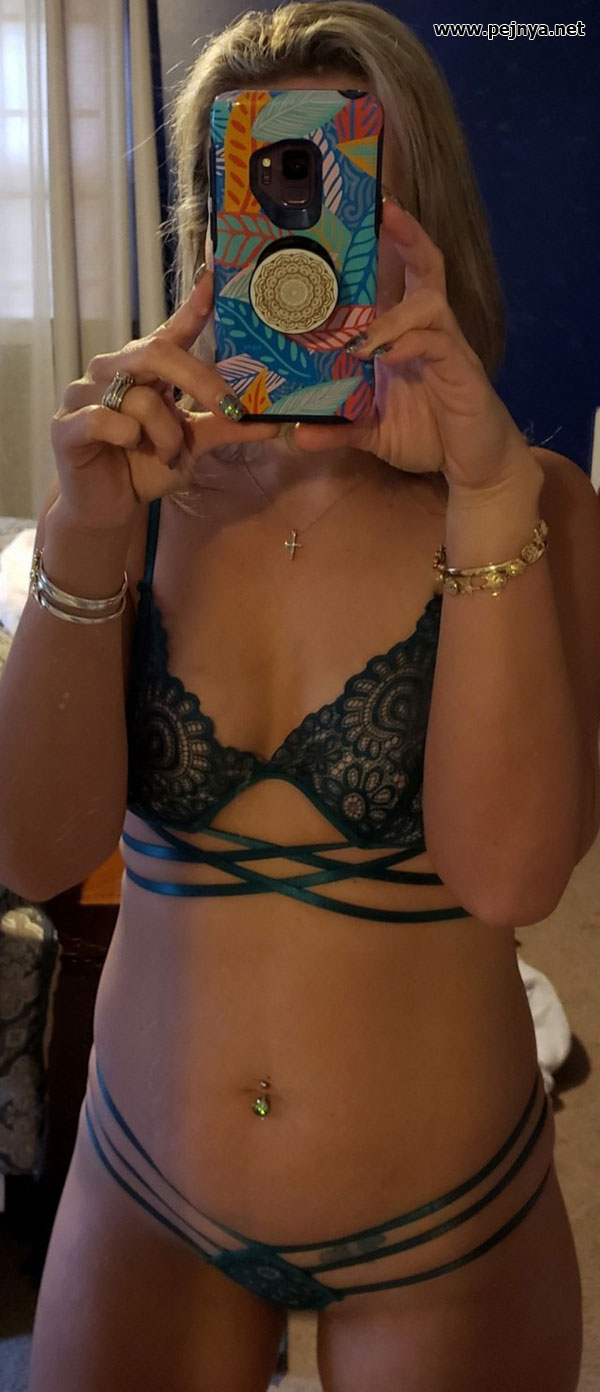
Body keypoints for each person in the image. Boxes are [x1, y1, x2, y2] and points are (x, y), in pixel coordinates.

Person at [2, 4, 599, 1390]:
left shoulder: (542, 506)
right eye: (260, 189)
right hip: (144, 1187)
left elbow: (512, 876)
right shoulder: (140, 495)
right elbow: (31, 850)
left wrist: (486, 494)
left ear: (418, 215)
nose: (299, 243)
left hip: (449, 1216)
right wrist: (85, 533)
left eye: (340, 190)